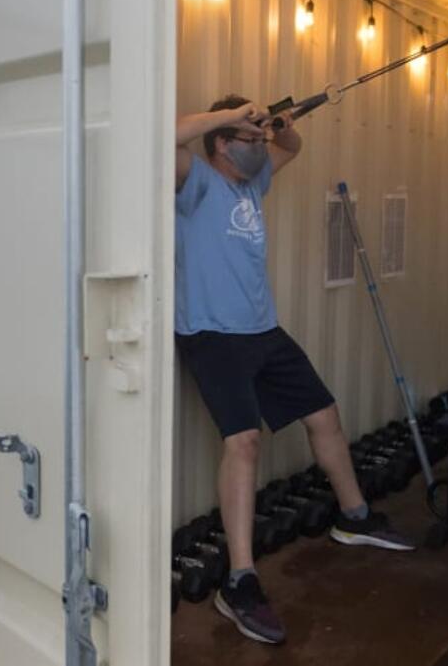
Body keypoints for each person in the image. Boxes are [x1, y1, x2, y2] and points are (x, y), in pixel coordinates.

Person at [175, 94, 413, 645]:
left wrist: (276, 125)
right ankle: (239, 580)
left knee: (324, 415)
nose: (260, 148)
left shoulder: (252, 183)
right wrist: (231, 117)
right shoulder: (196, 183)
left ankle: (354, 517)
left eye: (260, 140)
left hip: (263, 330)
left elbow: (293, 146)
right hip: (212, 335)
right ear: (222, 142)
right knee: (244, 443)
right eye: (248, 139)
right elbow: (160, 137)